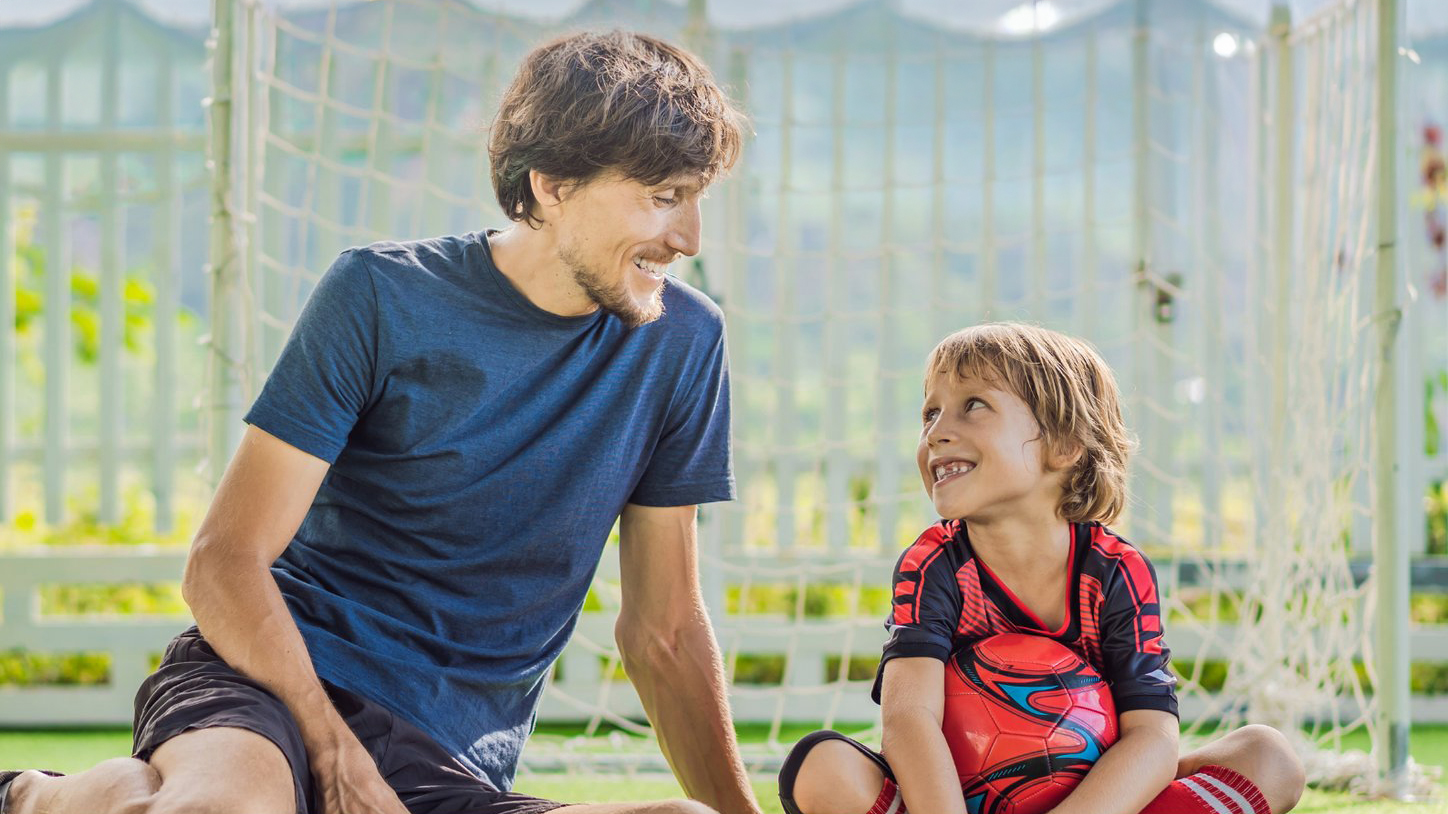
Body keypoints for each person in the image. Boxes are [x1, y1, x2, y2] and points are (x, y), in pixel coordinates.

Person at [0, 31, 763, 814]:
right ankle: (33, 799)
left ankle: (116, 798)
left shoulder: (685, 342)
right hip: (268, 684)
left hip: (441, 757)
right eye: (664, 197)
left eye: (698, 198)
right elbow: (222, 562)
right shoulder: (380, 294)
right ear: (554, 184)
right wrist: (332, 750)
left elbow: (663, 631)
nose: (690, 238)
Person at [775, 323, 1308, 814]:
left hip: (1090, 798)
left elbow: (1152, 736)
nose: (937, 431)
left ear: (1064, 444)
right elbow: (908, 718)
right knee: (820, 768)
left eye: (973, 405)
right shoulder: (933, 563)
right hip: (951, 797)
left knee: (1269, 755)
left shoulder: (1115, 572)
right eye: (930, 413)